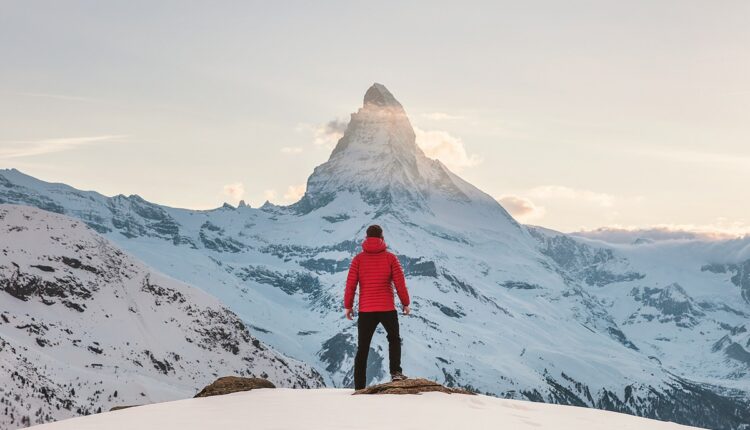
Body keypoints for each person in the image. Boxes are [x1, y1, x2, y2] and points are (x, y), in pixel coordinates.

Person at [344, 224, 411, 390]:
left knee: (363, 347)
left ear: (366, 238)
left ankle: (359, 386)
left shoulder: (358, 259)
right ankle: (396, 372)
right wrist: (405, 303)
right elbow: (399, 283)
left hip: (366, 310)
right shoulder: (391, 258)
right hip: (387, 308)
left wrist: (348, 306)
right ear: (382, 238)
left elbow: (351, 284)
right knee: (394, 339)